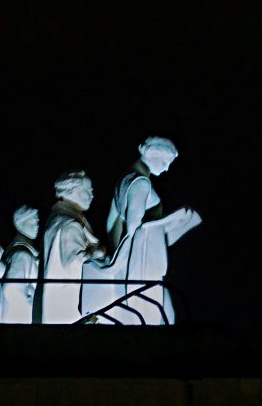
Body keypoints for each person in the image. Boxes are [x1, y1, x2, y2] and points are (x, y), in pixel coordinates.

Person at [82, 136, 199, 324]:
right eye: (165, 162)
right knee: (154, 311)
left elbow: (112, 223)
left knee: (158, 309)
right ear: (153, 154)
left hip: (135, 256)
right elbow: (133, 228)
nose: (167, 169)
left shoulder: (125, 180)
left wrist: (116, 253)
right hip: (144, 260)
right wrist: (170, 222)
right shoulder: (141, 183)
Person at [41, 171, 105, 324]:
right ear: (73, 192)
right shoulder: (70, 224)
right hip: (66, 306)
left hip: (55, 304)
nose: (92, 196)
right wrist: (98, 253)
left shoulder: (57, 219)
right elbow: (75, 261)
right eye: (88, 191)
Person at [0, 205, 41, 324]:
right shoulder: (22, 254)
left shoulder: (20, 252)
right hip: (19, 320)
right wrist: (32, 304)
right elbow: (12, 290)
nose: (37, 225)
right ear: (20, 224)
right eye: (33, 221)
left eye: (37, 222)